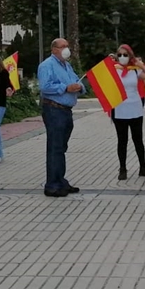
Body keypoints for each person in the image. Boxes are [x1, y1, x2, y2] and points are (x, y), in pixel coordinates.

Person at [37, 38, 84, 197]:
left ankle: (60, 180)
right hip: (53, 110)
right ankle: (52, 185)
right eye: (63, 46)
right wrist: (65, 88)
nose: (66, 49)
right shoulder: (46, 65)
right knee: (55, 147)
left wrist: (79, 86)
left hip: (66, 111)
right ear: (54, 49)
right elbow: (45, 87)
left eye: (67, 46)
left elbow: (76, 80)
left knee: (61, 148)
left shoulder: (67, 65)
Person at [112, 44, 145, 180]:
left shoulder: (135, 70)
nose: (122, 57)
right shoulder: (114, 70)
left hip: (135, 107)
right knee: (122, 140)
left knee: (138, 139)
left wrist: (140, 65)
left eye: (125, 55)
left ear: (130, 56)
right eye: (119, 55)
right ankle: (122, 168)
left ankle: (143, 167)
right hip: (119, 108)